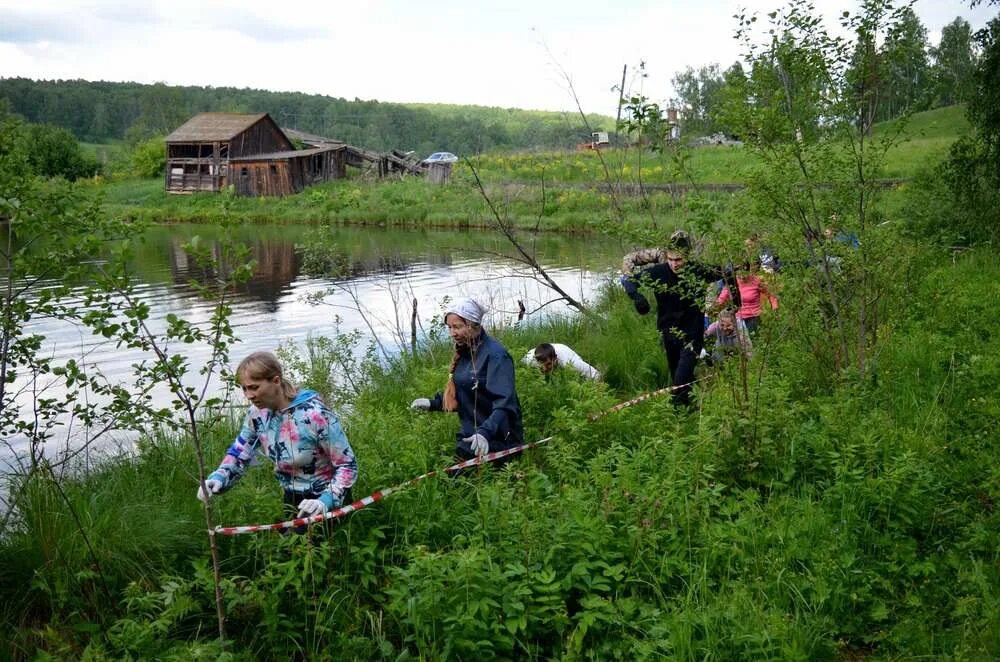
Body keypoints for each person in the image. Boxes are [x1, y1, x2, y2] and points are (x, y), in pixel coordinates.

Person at [196, 351, 358, 530]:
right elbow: (240, 451)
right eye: (244, 388)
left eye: (254, 387)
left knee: (325, 554)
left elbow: (347, 465)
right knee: (294, 551)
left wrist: (326, 500)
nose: (248, 395)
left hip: (328, 499)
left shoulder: (315, 415)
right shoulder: (256, 414)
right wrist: (220, 477)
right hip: (292, 499)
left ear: (276, 381)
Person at [622, 230, 740, 407]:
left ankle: (674, 413)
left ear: (687, 256)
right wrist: (638, 297)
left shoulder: (698, 270)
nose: (674, 264)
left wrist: (736, 299)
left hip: (692, 333)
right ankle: (691, 409)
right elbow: (629, 281)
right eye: (670, 259)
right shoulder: (659, 272)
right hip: (669, 331)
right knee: (679, 374)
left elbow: (727, 271)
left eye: (678, 260)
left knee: (680, 379)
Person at [410, 298, 524, 463]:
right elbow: (464, 391)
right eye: (449, 327)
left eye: (457, 327)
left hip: (499, 441)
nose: (452, 333)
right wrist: (433, 403)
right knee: (451, 481)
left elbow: (505, 404)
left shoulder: (496, 356)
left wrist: (484, 433)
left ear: (473, 325)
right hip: (470, 438)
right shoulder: (465, 351)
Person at [715, 261, 778, 333]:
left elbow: (770, 295)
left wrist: (774, 308)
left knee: (752, 340)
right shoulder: (732, 282)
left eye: (744, 273)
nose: (742, 276)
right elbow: (722, 298)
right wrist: (714, 307)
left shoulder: (756, 281)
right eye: (739, 274)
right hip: (738, 317)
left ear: (748, 271)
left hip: (754, 316)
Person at [522, 342, 601, 380]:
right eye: (541, 365)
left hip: (566, 355)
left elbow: (596, 375)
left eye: (548, 364)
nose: (545, 369)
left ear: (555, 358)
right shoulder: (529, 360)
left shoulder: (570, 363)